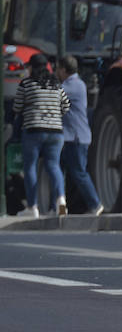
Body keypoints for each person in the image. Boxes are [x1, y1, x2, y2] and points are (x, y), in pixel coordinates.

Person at [14, 53, 70, 218]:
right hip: (56, 133)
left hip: (33, 131)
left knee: (30, 167)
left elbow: (17, 108)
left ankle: (33, 208)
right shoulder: (56, 85)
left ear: (32, 67)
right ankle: (61, 205)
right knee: (54, 166)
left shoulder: (26, 84)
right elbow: (66, 107)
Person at [56, 55, 104, 216]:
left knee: (78, 172)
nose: (57, 72)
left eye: (58, 69)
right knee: (58, 170)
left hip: (75, 137)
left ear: (63, 69)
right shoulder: (77, 84)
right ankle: (59, 207)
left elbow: (54, 96)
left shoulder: (73, 85)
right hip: (72, 137)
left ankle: (95, 204)